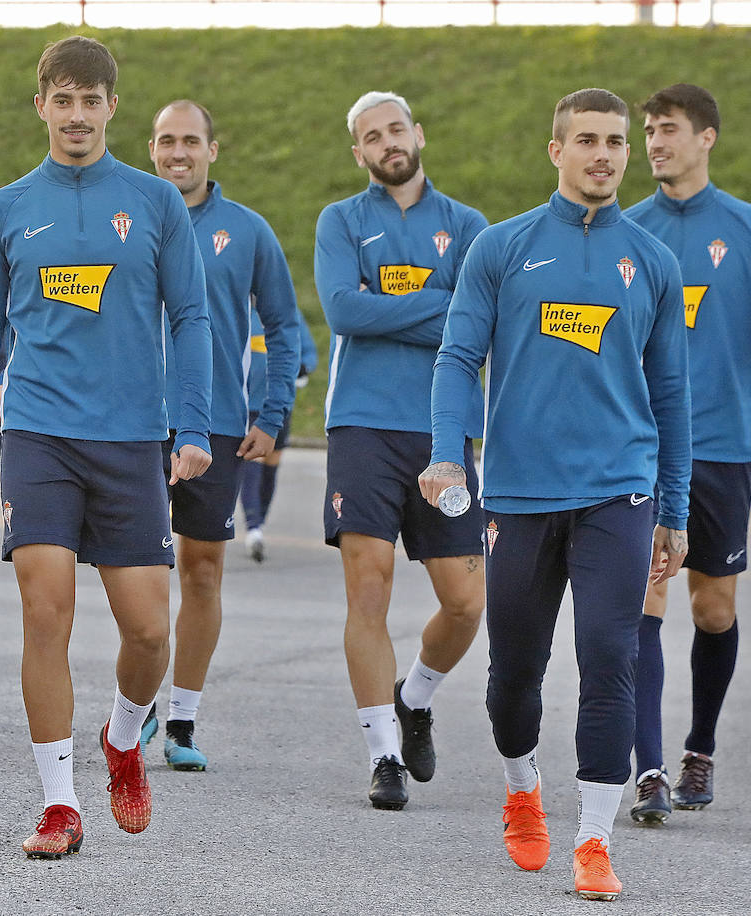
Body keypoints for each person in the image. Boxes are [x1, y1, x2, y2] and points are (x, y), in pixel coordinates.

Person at [419, 88, 691, 901]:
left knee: (610, 658)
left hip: (619, 492)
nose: (604, 154)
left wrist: (673, 508)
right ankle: (522, 789)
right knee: (513, 676)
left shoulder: (651, 260)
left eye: (615, 142)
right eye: (587, 141)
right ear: (556, 151)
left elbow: (671, 395)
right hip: (521, 496)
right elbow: (455, 358)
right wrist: (446, 456)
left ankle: (595, 841)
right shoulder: (501, 250)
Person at [0, 37, 212, 859]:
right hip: (37, 437)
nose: (76, 116)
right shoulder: (7, 209)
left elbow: (192, 317)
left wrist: (193, 425)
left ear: (111, 110)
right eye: (62, 100)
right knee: (44, 610)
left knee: (149, 634)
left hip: (131, 440)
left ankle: (124, 737)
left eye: (90, 101)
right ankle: (59, 804)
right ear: (41, 109)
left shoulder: (156, 203)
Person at [624, 83, 751, 824]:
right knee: (645, 599)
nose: (653, 143)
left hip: (722, 449)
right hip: (639, 448)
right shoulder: (628, 229)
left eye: (667, 130)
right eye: (648, 130)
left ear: (706, 136)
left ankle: (698, 747)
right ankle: (647, 771)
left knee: (712, 610)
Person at [313, 91, 488, 812]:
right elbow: (344, 310)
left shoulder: (470, 227)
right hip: (361, 425)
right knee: (371, 586)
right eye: (370, 136)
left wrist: (399, 312)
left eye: (395, 128)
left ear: (418, 133)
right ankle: (384, 754)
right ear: (358, 152)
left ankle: (413, 698)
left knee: (467, 601)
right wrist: (441, 308)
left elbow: (478, 322)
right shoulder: (341, 221)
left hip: (445, 430)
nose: (387, 141)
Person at [141, 98, 301, 770]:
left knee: (201, 572)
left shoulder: (248, 230)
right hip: (136, 425)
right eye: (166, 141)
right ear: (151, 148)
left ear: (213, 149)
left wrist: (272, 416)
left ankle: (180, 721)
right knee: (141, 574)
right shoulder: (131, 218)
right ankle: (135, 703)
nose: (178, 153)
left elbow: (287, 327)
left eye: (190, 141)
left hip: (219, 426)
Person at [239, 307, 317, 563]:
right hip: (248, 405)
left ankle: (259, 521)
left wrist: (302, 368)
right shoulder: (240, 309)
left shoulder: (288, 312)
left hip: (279, 404)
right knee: (252, 463)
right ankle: (253, 528)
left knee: (271, 466)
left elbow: (307, 351)